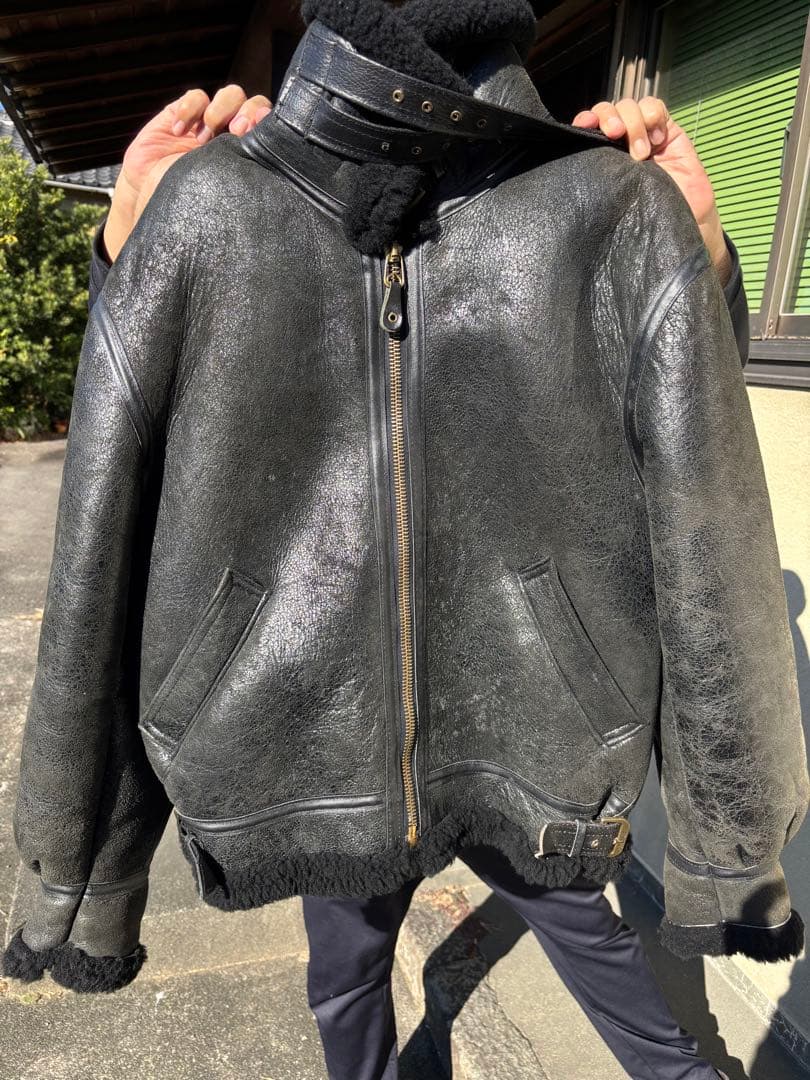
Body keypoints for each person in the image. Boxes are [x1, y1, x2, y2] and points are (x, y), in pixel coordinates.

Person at [85, 78, 741, 1080]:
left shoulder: (563, 204)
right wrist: (130, 246)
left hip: (516, 717)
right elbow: (134, 409)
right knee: (346, 978)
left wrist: (704, 260)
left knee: (594, 946)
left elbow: (688, 406)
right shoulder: (257, 204)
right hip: (332, 720)